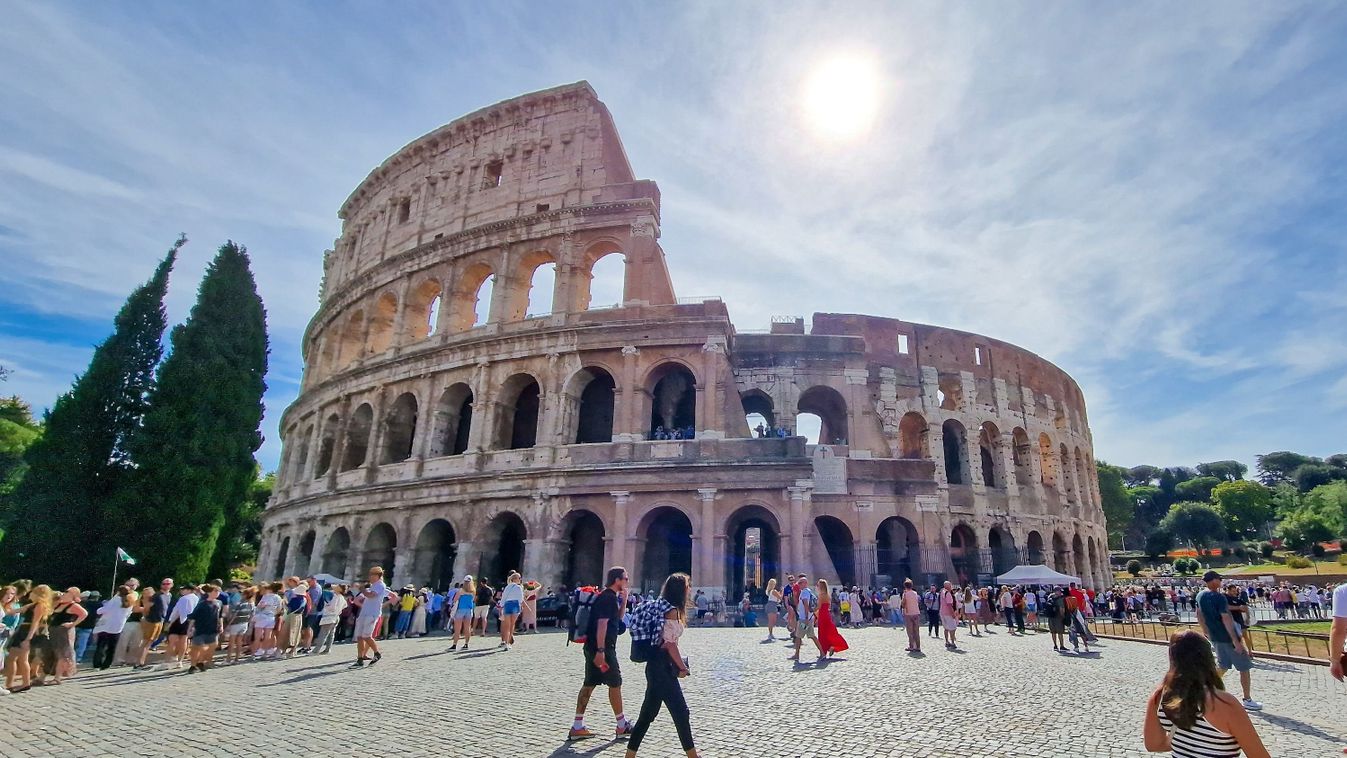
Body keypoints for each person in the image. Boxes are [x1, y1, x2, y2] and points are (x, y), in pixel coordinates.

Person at [1143, 630, 1270, 758]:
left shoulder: (1160, 697)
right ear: (1208, 658)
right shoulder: (1224, 704)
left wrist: (1186, 742)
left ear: (1173, 658)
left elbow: (1153, 744)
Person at [625, 573, 699, 758]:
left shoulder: (660, 605)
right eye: (688, 586)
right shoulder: (671, 610)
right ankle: (692, 756)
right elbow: (669, 644)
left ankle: (629, 755)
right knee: (681, 713)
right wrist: (682, 667)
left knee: (647, 715)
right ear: (681, 590)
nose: (689, 589)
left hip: (654, 666)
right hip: (663, 668)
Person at [569, 566, 633, 741]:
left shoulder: (610, 597)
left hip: (593, 647)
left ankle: (577, 726)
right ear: (617, 580)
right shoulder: (607, 598)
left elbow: (617, 619)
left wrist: (624, 600)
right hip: (603, 649)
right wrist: (601, 651)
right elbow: (603, 624)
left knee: (589, 683)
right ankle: (621, 726)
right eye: (625, 578)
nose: (627, 581)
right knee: (615, 683)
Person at [1195, 571, 1260, 711]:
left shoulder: (1200, 595)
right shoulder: (1219, 597)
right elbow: (1226, 618)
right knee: (1244, 667)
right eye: (1219, 579)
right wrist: (1236, 641)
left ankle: (1205, 686)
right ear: (1214, 580)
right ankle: (1247, 699)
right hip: (1227, 636)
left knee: (1223, 665)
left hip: (1215, 635)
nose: (1221, 581)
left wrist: (1205, 631)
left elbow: (1198, 613)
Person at [8, 584, 52, 692]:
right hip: (23, 630)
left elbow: (35, 623)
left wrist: (28, 639)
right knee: (13, 657)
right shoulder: (33, 604)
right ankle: (13, 683)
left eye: (33, 592)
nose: (30, 593)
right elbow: (13, 611)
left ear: (38, 594)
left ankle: (25, 683)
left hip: (27, 632)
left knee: (22, 659)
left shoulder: (40, 605)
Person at [352, 566, 393, 668]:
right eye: (370, 574)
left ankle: (377, 653)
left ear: (378, 575)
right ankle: (360, 659)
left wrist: (362, 589)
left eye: (372, 574)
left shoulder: (380, 585)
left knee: (366, 636)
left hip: (372, 614)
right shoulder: (373, 585)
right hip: (365, 613)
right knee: (359, 636)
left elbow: (371, 595)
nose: (370, 576)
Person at [91, 586, 136, 671]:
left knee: (101, 645)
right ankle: (107, 664)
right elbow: (128, 614)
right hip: (117, 626)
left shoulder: (115, 599)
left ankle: (97, 664)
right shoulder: (131, 601)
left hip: (106, 624)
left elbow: (105, 609)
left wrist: (98, 610)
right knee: (112, 646)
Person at [48, 587, 88, 682]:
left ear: (72, 595)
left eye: (67, 592)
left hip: (63, 632)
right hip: (54, 630)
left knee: (63, 654)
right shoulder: (59, 604)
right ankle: (50, 675)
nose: (64, 593)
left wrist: (73, 624)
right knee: (54, 653)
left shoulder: (73, 605)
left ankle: (57, 677)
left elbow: (84, 614)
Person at [134, 579, 173, 670]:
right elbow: (146, 608)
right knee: (146, 642)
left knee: (149, 642)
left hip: (159, 621)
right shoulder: (156, 596)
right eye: (164, 583)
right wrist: (146, 615)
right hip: (152, 621)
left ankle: (140, 662)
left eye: (168, 583)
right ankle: (139, 663)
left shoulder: (165, 596)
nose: (166, 585)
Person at [186, 585, 223, 673]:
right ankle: (193, 666)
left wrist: (221, 625)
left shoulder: (219, 603)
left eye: (218, 592)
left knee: (212, 647)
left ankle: (200, 662)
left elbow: (220, 616)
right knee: (198, 648)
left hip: (213, 629)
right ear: (209, 592)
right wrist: (189, 629)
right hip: (201, 629)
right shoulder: (202, 604)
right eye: (215, 591)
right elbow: (193, 617)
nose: (217, 593)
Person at [163, 583, 199, 670]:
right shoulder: (196, 598)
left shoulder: (184, 598)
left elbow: (178, 612)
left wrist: (170, 623)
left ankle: (167, 661)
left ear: (189, 590)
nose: (182, 591)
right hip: (190, 620)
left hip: (179, 621)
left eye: (184, 589)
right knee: (184, 641)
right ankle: (180, 661)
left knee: (172, 641)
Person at [789, 574, 822, 662]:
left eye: (800, 583)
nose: (799, 584)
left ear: (805, 583)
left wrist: (806, 618)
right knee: (808, 636)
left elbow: (806, 605)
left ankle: (797, 655)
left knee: (799, 636)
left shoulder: (804, 592)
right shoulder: (808, 591)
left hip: (804, 619)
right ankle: (821, 653)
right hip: (807, 618)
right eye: (798, 583)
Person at [814, 579, 849, 659]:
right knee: (830, 632)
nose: (817, 586)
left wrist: (812, 610)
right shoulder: (828, 595)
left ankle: (823, 653)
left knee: (822, 634)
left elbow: (818, 607)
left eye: (818, 585)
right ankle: (831, 647)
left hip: (822, 615)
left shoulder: (821, 595)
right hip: (827, 615)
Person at [223, 587, 256, 665]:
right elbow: (252, 615)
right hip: (244, 624)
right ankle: (237, 658)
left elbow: (234, 615)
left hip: (236, 624)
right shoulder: (251, 604)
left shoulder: (240, 604)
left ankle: (228, 659)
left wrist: (229, 624)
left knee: (231, 642)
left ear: (245, 595)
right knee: (239, 642)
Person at [314, 584, 347, 655]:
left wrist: (326, 606)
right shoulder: (342, 597)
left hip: (329, 617)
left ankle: (316, 650)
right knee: (331, 634)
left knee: (323, 634)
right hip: (336, 617)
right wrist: (338, 610)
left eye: (338, 586)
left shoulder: (335, 596)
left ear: (340, 589)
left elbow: (332, 607)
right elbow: (345, 605)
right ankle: (327, 650)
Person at [499, 572, 524, 650]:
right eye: (519, 578)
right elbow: (521, 599)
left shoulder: (507, 587)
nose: (520, 579)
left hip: (507, 605)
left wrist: (501, 606)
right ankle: (508, 643)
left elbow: (503, 597)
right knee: (512, 625)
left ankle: (505, 642)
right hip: (515, 605)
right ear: (515, 579)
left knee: (507, 625)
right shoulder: (519, 587)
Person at [450, 576, 475, 651]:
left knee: (457, 628)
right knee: (467, 628)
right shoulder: (473, 591)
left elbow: (455, 600)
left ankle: (454, 645)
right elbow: (473, 600)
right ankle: (466, 644)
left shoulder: (461, 590)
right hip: (469, 610)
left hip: (461, 609)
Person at [901, 579, 922, 653]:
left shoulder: (905, 594)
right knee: (916, 631)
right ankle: (918, 646)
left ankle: (911, 646)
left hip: (909, 613)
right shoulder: (915, 593)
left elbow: (903, 604)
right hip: (916, 613)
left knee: (910, 631)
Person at [1045, 587, 1068, 651]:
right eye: (1060, 591)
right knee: (1060, 632)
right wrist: (1063, 617)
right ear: (1057, 591)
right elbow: (1061, 609)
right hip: (1058, 617)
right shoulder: (1060, 599)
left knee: (1053, 632)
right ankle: (1062, 646)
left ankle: (1055, 645)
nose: (1061, 592)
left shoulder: (1049, 597)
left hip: (1050, 617)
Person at [939, 581, 960, 649]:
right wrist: (953, 614)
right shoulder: (948, 593)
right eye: (950, 585)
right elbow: (949, 605)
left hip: (942, 612)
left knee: (946, 628)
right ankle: (952, 642)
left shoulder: (942, 591)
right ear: (948, 586)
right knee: (952, 628)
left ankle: (947, 641)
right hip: (948, 613)